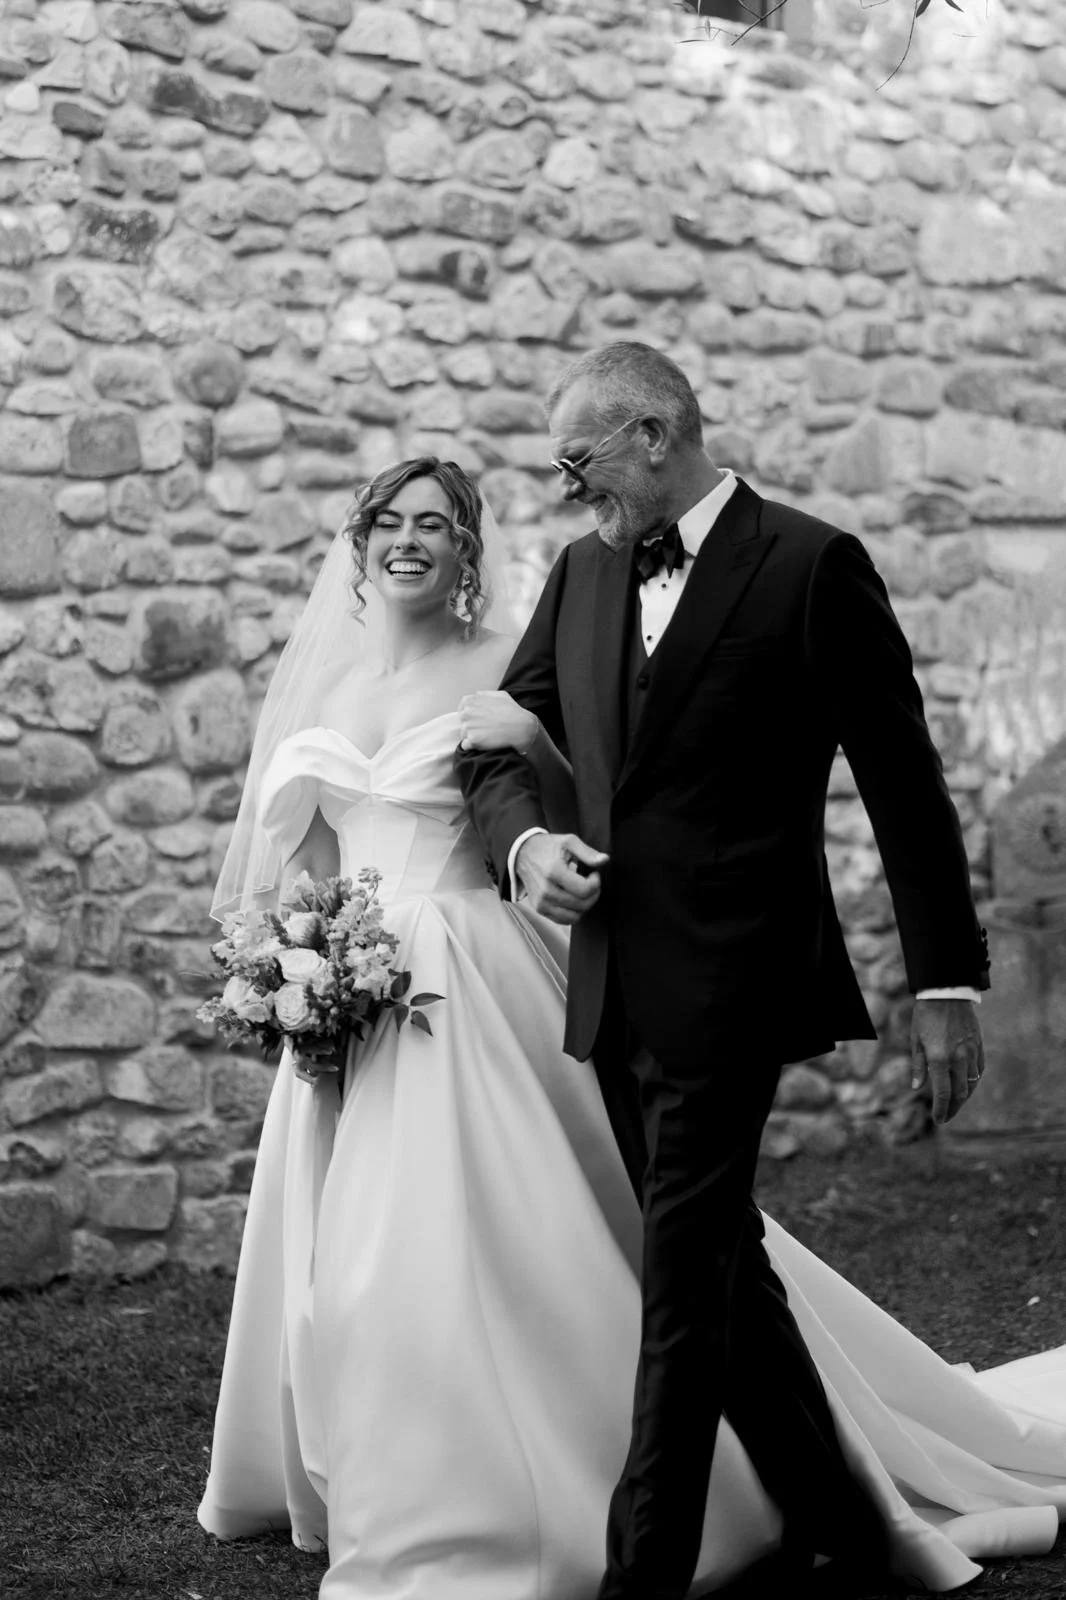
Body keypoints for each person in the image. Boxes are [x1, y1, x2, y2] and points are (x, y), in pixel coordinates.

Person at [198, 454, 1066, 1600]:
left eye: (437, 524)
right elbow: (327, 856)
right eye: (388, 521)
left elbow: (605, 778)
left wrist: (942, 979)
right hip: (358, 1008)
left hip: (508, 988)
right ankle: (817, 1503)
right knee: (383, 1267)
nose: (410, 538)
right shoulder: (488, 618)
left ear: (469, 552)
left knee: (606, 1254)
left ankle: (622, 1542)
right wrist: (294, 963)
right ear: (356, 543)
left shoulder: (784, 568)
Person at [453, 341, 997, 1600]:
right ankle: (841, 1523)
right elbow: (494, 735)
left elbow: (903, 782)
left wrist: (942, 982)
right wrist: (524, 843)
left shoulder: (811, 563)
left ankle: (640, 1577)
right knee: (715, 1265)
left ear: (653, 435)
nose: (566, 488)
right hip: (608, 981)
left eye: (578, 461)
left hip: (735, 979)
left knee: (679, 1284)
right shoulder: (586, 570)